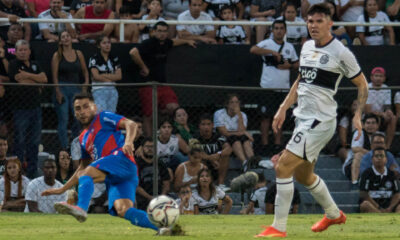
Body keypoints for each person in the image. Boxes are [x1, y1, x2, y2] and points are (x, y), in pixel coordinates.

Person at [255, 4, 369, 238]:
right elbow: (301, 79)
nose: (313, 25)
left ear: (330, 24)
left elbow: (363, 84)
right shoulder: (306, 46)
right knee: (304, 176)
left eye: (318, 21)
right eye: (310, 21)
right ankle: (333, 214)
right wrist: (283, 107)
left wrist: (358, 114)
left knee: (283, 166)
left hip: (320, 121)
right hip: (302, 119)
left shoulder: (341, 52)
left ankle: (278, 228)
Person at [41, 92, 170, 235]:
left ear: (94, 108)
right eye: (78, 109)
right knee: (123, 210)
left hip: (121, 159)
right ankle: (163, 228)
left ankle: (82, 208)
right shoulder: (83, 139)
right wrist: (62, 189)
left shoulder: (102, 117)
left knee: (87, 175)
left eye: (86, 107)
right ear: (75, 113)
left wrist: (128, 142)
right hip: (117, 175)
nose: (82, 111)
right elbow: (82, 168)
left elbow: (131, 124)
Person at [129, 21, 195, 137]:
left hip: (163, 85)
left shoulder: (166, 43)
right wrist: (144, 67)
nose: (162, 34)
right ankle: (149, 142)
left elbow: (174, 42)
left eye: (165, 31)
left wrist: (187, 41)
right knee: (149, 115)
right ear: (154, 31)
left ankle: (181, 137)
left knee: (175, 109)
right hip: (148, 85)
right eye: (159, 31)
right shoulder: (149, 43)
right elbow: (133, 52)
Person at [250, 20, 299, 156]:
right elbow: (253, 49)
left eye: (281, 28)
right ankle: (265, 145)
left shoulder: (289, 47)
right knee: (265, 117)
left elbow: (297, 64)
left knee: (280, 118)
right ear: (272, 30)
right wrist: (271, 52)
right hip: (267, 87)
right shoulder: (266, 43)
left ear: (285, 31)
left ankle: (277, 145)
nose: (278, 31)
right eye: (276, 28)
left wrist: (288, 65)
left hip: (283, 89)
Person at [8, 40, 48, 178]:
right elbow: (19, 79)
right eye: (20, 50)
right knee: (19, 141)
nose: (23, 52)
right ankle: (18, 172)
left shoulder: (36, 64)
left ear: (29, 51)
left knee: (34, 141)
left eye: (25, 49)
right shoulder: (13, 64)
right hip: (20, 109)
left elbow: (44, 79)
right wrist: (35, 81)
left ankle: (32, 171)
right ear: (16, 51)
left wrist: (29, 76)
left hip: (36, 108)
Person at [52, 30, 89, 149]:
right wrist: (57, 91)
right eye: (63, 37)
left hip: (76, 88)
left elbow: (85, 71)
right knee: (64, 118)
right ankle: (64, 147)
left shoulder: (79, 53)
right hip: (62, 87)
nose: (66, 38)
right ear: (60, 41)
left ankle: (75, 144)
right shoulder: (57, 55)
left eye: (67, 36)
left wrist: (85, 84)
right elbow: (54, 75)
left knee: (78, 117)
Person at [214, 93, 254, 172]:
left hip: (237, 137)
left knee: (245, 139)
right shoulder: (219, 113)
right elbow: (224, 132)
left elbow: (241, 130)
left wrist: (239, 114)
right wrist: (243, 132)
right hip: (223, 137)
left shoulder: (242, 115)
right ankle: (244, 162)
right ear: (227, 104)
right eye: (232, 102)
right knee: (236, 140)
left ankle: (252, 161)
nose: (235, 105)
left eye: (236, 102)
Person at [194, 113, 232, 190]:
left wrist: (218, 154)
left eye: (208, 124)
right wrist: (211, 159)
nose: (206, 127)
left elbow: (228, 149)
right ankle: (202, 184)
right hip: (202, 166)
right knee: (197, 158)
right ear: (199, 126)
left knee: (225, 156)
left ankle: (220, 184)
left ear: (212, 126)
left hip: (217, 166)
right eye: (203, 124)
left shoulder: (218, 136)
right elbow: (196, 152)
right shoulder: (195, 137)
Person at [342, 114, 379, 186]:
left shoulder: (380, 135)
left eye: (373, 123)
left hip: (372, 164)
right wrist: (372, 154)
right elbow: (355, 149)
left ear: (377, 125)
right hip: (351, 166)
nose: (370, 125)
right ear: (363, 125)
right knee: (358, 154)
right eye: (368, 123)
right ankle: (354, 182)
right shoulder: (359, 133)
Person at [359, 147, 400, 213]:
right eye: (376, 156)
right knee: (365, 205)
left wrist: (390, 208)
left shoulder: (391, 174)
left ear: (386, 159)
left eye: (381, 156)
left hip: (389, 208)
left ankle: (393, 221)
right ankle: (381, 217)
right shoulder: (366, 173)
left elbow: (397, 194)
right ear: (372, 159)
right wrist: (378, 207)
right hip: (374, 207)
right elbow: (363, 194)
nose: (379, 158)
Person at [365, 67, 396, 149]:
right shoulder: (366, 88)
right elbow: (368, 110)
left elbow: (387, 106)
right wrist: (382, 114)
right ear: (371, 77)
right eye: (376, 76)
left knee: (393, 118)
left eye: (380, 76)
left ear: (384, 78)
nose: (378, 78)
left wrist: (389, 111)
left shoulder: (386, 88)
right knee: (375, 120)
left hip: (382, 116)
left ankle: (387, 147)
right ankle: (374, 146)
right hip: (368, 116)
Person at [89, 35, 122, 113]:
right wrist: (111, 78)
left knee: (111, 116)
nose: (107, 45)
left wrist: (103, 75)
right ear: (98, 45)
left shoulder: (114, 58)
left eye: (109, 42)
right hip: (99, 89)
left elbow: (119, 76)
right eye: (104, 43)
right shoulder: (94, 58)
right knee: (101, 115)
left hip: (113, 90)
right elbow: (96, 76)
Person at [135, 137, 171, 210]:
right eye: (147, 146)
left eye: (152, 147)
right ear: (142, 148)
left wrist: (161, 198)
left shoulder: (160, 163)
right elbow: (136, 186)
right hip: (142, 199)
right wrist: (150, 198)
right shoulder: (136, 164)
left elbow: (166, 183)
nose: (150, 149)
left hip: (160, 198)